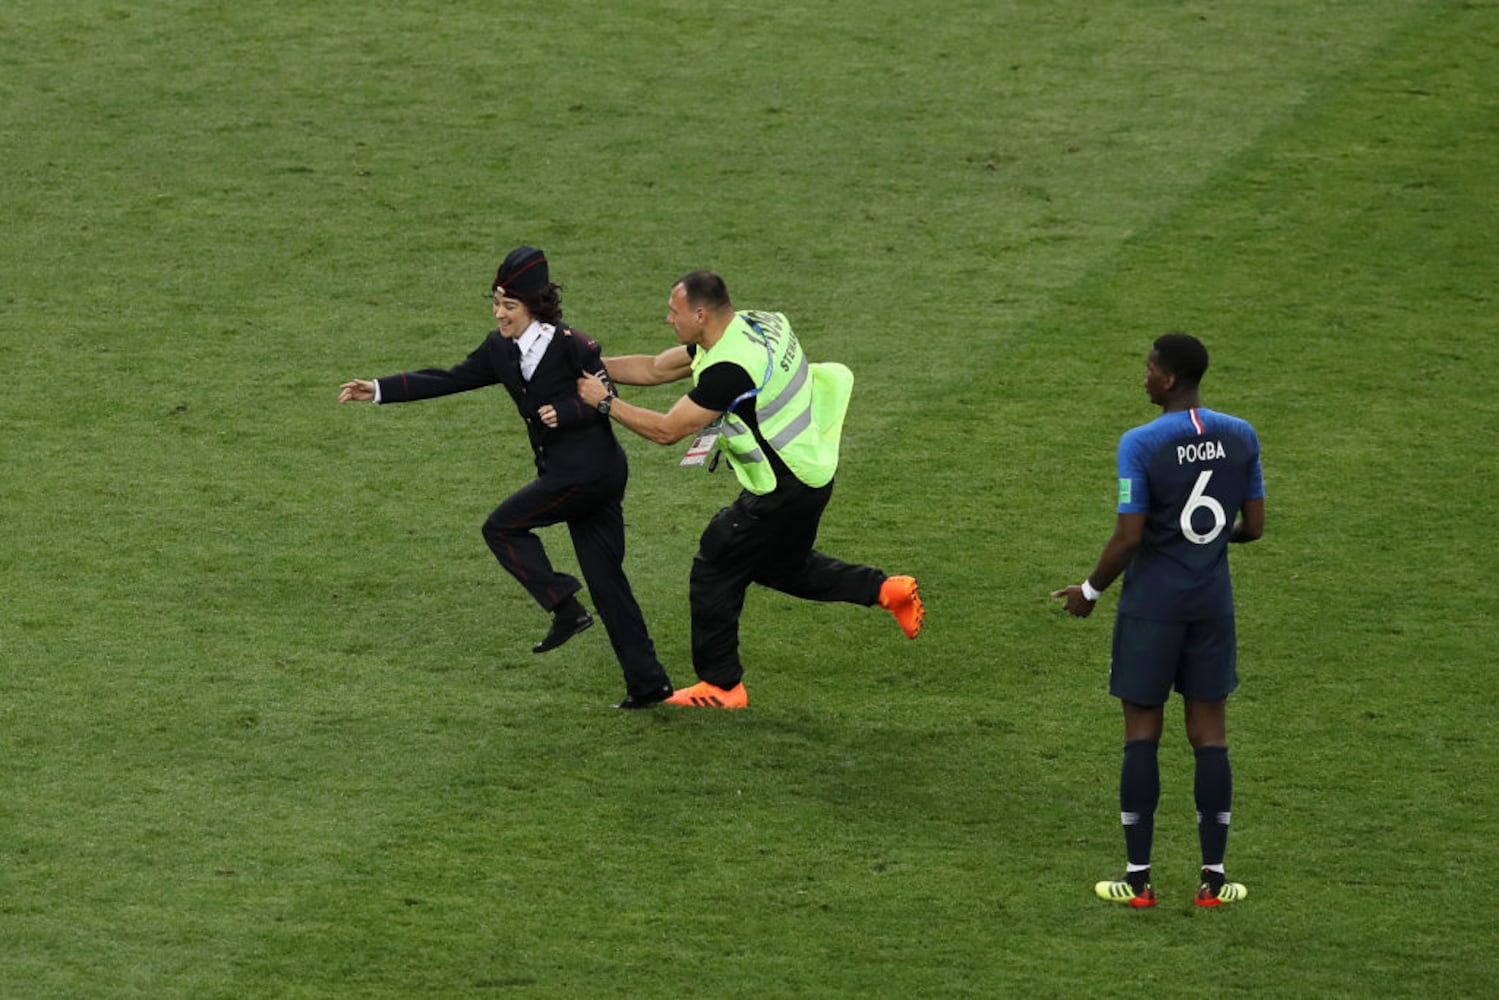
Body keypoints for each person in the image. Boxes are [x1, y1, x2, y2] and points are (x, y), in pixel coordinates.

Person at [338, 246, 675, 709]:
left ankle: (564, 607)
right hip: (574, 476)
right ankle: (648, 684)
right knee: (607, 581)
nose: (499, 314)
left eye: (509, 306)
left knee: (502, 527)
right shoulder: (500, 349)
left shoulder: (575, 345)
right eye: (495, 303)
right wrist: (377, 389)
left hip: (589, 475)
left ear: (535, 306)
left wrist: (568, 411)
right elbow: (450, 378)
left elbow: (604, 396)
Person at [575, 270, 923, 709]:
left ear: (701, 314)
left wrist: (603, 401)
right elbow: (657, 367)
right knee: (781, 566)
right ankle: (887, 590)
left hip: (783, 488)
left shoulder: (730, 369)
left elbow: (667, 431)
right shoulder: (756, 323)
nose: (668, 318)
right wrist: (587, 368)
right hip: (811, 470)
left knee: (715, 564)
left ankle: (723, 686)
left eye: (673, 311)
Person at [1052, 332, 1264, 908]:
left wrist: (1090, 592)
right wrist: (1210, 541)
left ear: (1169, 379)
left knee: (1142, 734)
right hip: (1211, 603)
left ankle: (1139, 882)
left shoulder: (1141, 444)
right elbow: (1255, 526)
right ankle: (1214, 883)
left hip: (1152, 608)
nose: (1143, 376)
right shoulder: (1241, 435)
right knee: (1210, 736)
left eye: (1148, 369)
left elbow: (1129, 537)